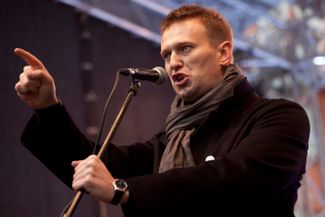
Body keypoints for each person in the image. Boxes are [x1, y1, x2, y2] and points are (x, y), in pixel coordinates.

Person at [14, 4, 309, 217]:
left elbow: (232, 178)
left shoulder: (278, 116)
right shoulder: (174, 138)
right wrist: (48, 108)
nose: (173, 62)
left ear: (224, 53)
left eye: (185, 48)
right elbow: (103, 165)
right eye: (166, 54)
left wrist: (122, 190)